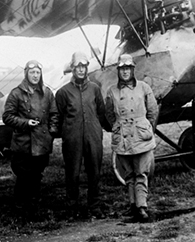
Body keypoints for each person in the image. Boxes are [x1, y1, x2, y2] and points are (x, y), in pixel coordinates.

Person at [55, 51, 110, 218]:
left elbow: (101, 112)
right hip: (72, 138)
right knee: (72, 173)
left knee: (95, 172)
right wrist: (69, 132)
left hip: (93, 136)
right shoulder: (63, 92)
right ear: (72, 68)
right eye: (77, 66)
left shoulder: (95, 89)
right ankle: (72, 207)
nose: (81, 69)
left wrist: (97, 128)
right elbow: (59, 116)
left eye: (83, 66)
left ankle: (95, 206)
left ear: (87, 68)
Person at [105, 54, 159, 222]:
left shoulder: (144, 87)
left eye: (128, 68)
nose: (125, 72)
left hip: (141, 136)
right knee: (129, 174)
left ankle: (142, 207)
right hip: (123, 138)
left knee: (141, 172)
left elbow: (153, 111)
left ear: (133, 70)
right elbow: (109, 114)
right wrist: (119, 126)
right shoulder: (111, 91)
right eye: (122, 69)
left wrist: (144, 127)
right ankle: (133, 205)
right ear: (118, 71)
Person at [2, 60, 59, 215]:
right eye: (32, 72)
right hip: (23, 144)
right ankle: (20, 208)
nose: (35, 76)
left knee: (37, 176)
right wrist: (26, 123)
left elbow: (54, 114)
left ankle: (34, 207)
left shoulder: (47, 93)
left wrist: (51, 132)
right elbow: (7, 116)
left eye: (38, 73)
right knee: (23, 177)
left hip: (41, 143)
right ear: (26, 74)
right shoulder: (16, 93)